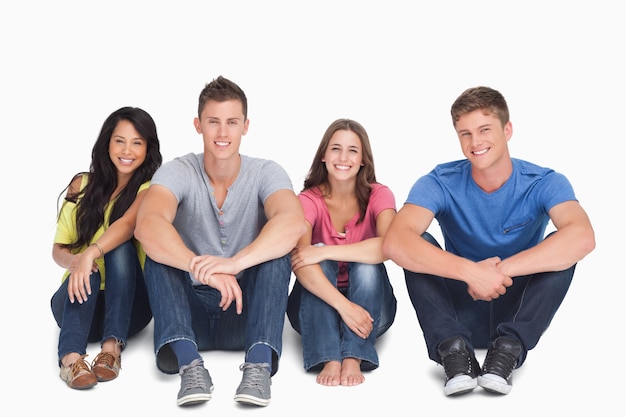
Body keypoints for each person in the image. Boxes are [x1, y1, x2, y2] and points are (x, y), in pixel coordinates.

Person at [382, 86, 595, 396]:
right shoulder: (438, 181)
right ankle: (454, 350)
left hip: (517, 307)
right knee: (418, 242)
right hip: (459, 307)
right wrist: (471, 272)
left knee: (562, 247)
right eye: (465, 133)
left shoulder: (545, 181)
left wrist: (499, 271)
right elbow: (395, 243)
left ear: (507, 130)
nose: (475, 142)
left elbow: (583, 237)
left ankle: (507, 350)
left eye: (484, 129)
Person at [134, 75, 305, 408]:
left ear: (246, 126)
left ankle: (258, 365)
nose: (223, 133)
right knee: (159, 253)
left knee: (276, 252)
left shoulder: (267, 171)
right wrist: (203, 270)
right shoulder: (177, 171)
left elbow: (292, 222)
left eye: (231, 122)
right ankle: (189, 365)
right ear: (198, 125)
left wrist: (234, 263)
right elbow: (148, 225)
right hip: (189, 314)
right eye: (213, 122)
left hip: (246, 312)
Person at [51, 106, 162, 390]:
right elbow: (59, 250)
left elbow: (125, 225)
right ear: (107, 143)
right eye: (120, 140)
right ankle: (71, 360)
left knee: (119, 247)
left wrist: (91, 253)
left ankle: (111, 349)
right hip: (77, 301)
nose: (127, 150)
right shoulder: (81, 184)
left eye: (137, 142)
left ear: (147, 149)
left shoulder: (149, 190)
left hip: (127, 308)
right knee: (85, 270)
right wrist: (78, 262)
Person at [286, 118, 397, 387]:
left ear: (363, 160)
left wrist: (326, 251)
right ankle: (329, 357)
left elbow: (389, 246)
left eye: (352, 151)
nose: (343, 157)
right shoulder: (308, 200)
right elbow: (300, 260)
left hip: (370, 312)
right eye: (335, 149)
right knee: (315, 261)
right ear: (323, 156)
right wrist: (344, 307)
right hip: (317, 311)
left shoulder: (379, 195)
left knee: (364, 264)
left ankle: (353, 356)